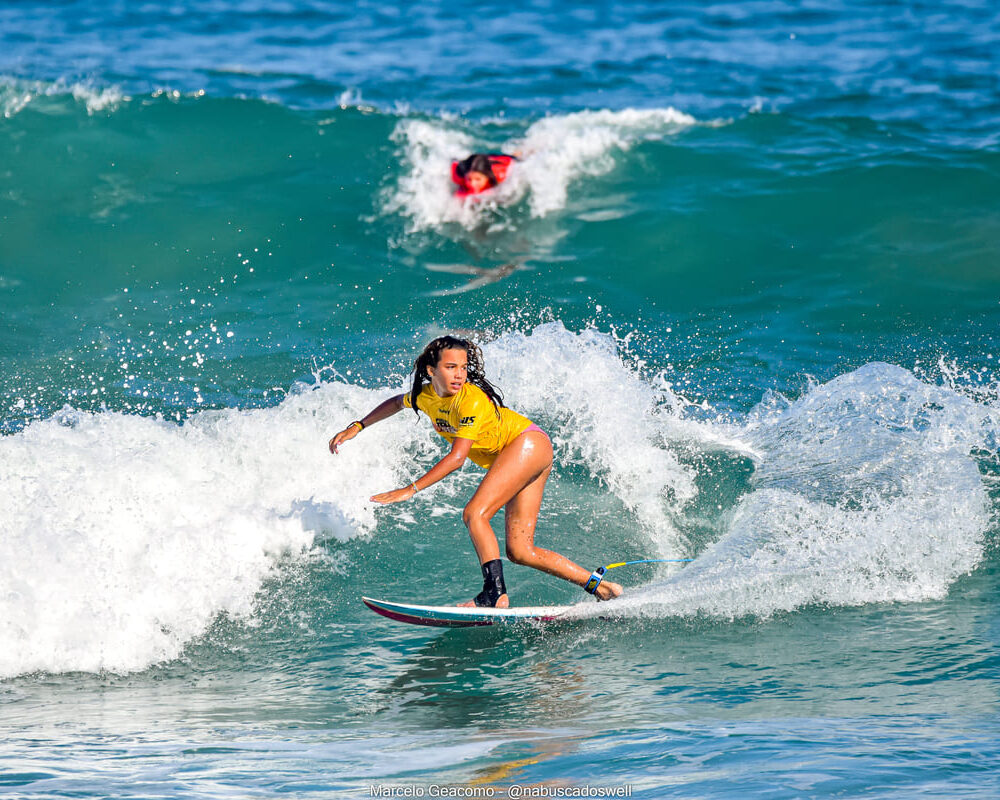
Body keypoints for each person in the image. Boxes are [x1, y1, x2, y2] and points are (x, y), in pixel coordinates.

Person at [329, 335, 623, 607]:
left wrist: (410, 489)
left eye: (463, 367)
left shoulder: (470, 400)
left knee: (475, 514)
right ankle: (601, 588)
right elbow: (396, 402)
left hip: (527, 444)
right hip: (526, 450)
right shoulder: (425, 396)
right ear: (431, 371)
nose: (459, 374)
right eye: (450, 367)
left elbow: (457, 458)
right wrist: (358, 426)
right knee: (520, 551)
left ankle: (494, 593)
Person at [451, 153, 517, 196]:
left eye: (478, 179)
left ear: (487, 177)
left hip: (501, 159)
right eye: (469, 179)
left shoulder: (500, 175)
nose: (472, 184)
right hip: (478, 161)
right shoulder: (458, 175)